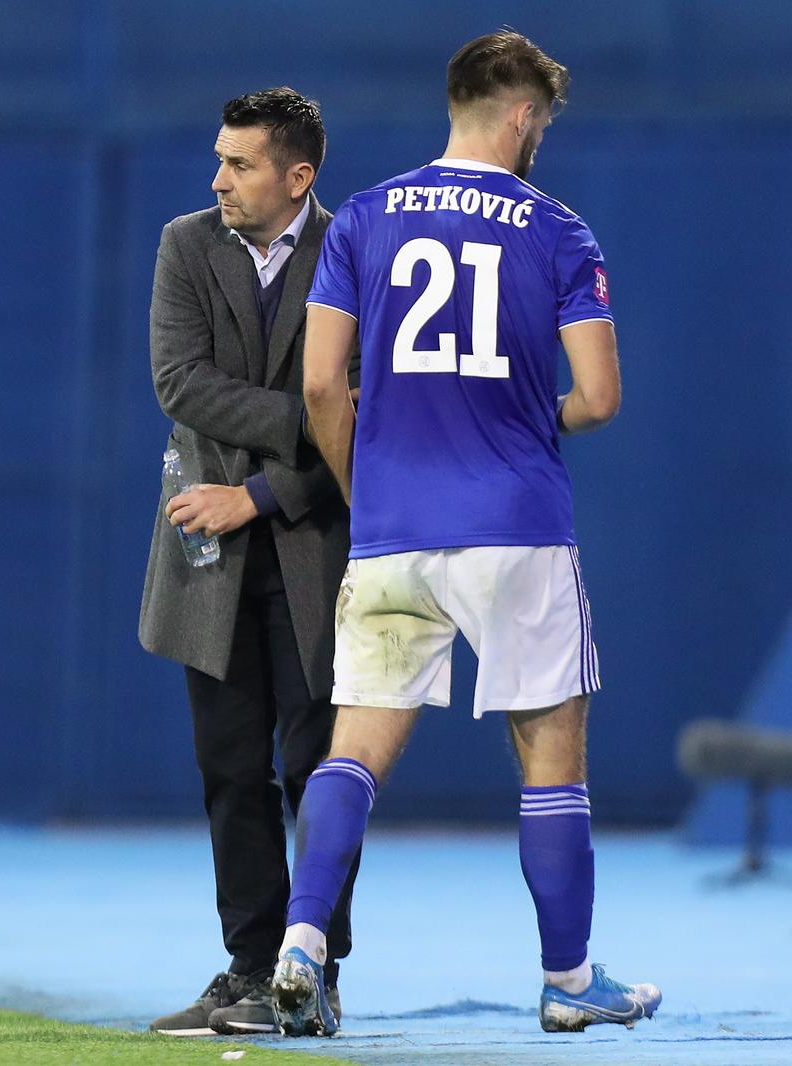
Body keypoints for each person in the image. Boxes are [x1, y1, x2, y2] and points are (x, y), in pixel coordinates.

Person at [268, 31, 662, 1037]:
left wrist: (369, 488)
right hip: (517, 530)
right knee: (551, 756)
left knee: (352, 751)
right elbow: (602, 397)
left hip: (397, 532)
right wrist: (538, 417)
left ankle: (301, 947)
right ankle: (569, 979)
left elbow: (320, 385)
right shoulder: (559, 230)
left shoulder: (360, 218)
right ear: (523, 114)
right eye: (543, 123)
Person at [139, 87, 360, 1037]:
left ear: (297, 176)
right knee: (232, 769)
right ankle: (244, 971)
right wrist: (318, 413)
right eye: (220, 159)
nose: (218, 178)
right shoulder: (185, 243)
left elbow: (377, 407)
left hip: (314, 544)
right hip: (207, 556)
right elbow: (178, 381)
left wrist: (262, 493)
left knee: (318, 769)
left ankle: (313, 971)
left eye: (239, 163)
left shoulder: (355, 247)